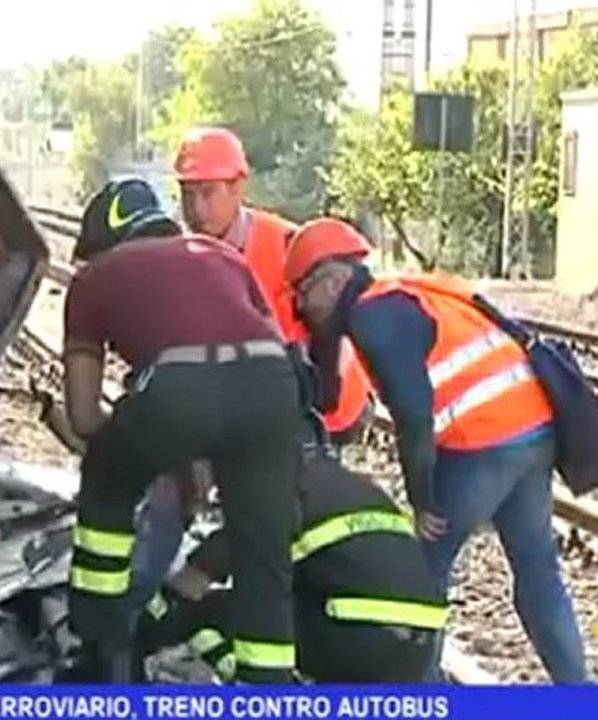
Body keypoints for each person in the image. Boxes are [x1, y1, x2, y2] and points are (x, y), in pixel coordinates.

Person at [281, 217, 588, 684]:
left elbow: (413, 416)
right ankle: (581, 693)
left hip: (483, 443)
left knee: (419, 578)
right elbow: (332, 394)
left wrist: (421, 498)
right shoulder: (403, 293)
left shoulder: (373, 316)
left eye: (303, 291)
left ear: (333, 281)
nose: (300, 305)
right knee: (538, 574)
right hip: (534, 431)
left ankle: (420, 694)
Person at [61, 178, 302, 684]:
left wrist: (138, 451)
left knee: (105, 479)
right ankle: (268, 688)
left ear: (102, 241)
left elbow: (83, 417)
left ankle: (100, 651)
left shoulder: (95, 277)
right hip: (274, 388)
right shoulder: (224, 256)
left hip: (178, 389)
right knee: (261, 550)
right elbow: (255, 359)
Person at [134, 412, 447, 684]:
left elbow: (192, 582)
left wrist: (145, 620)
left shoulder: (269, 494)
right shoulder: (347, 485)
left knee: (206, 613)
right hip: (420, 645)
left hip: (361, 635)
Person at [173, 126, 372, 443]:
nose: (196, 209)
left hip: (324, 409)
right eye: (188, 194)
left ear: (238, 187)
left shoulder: (290, 246)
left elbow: (345, 319)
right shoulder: (182, 259)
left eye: (207, 193)